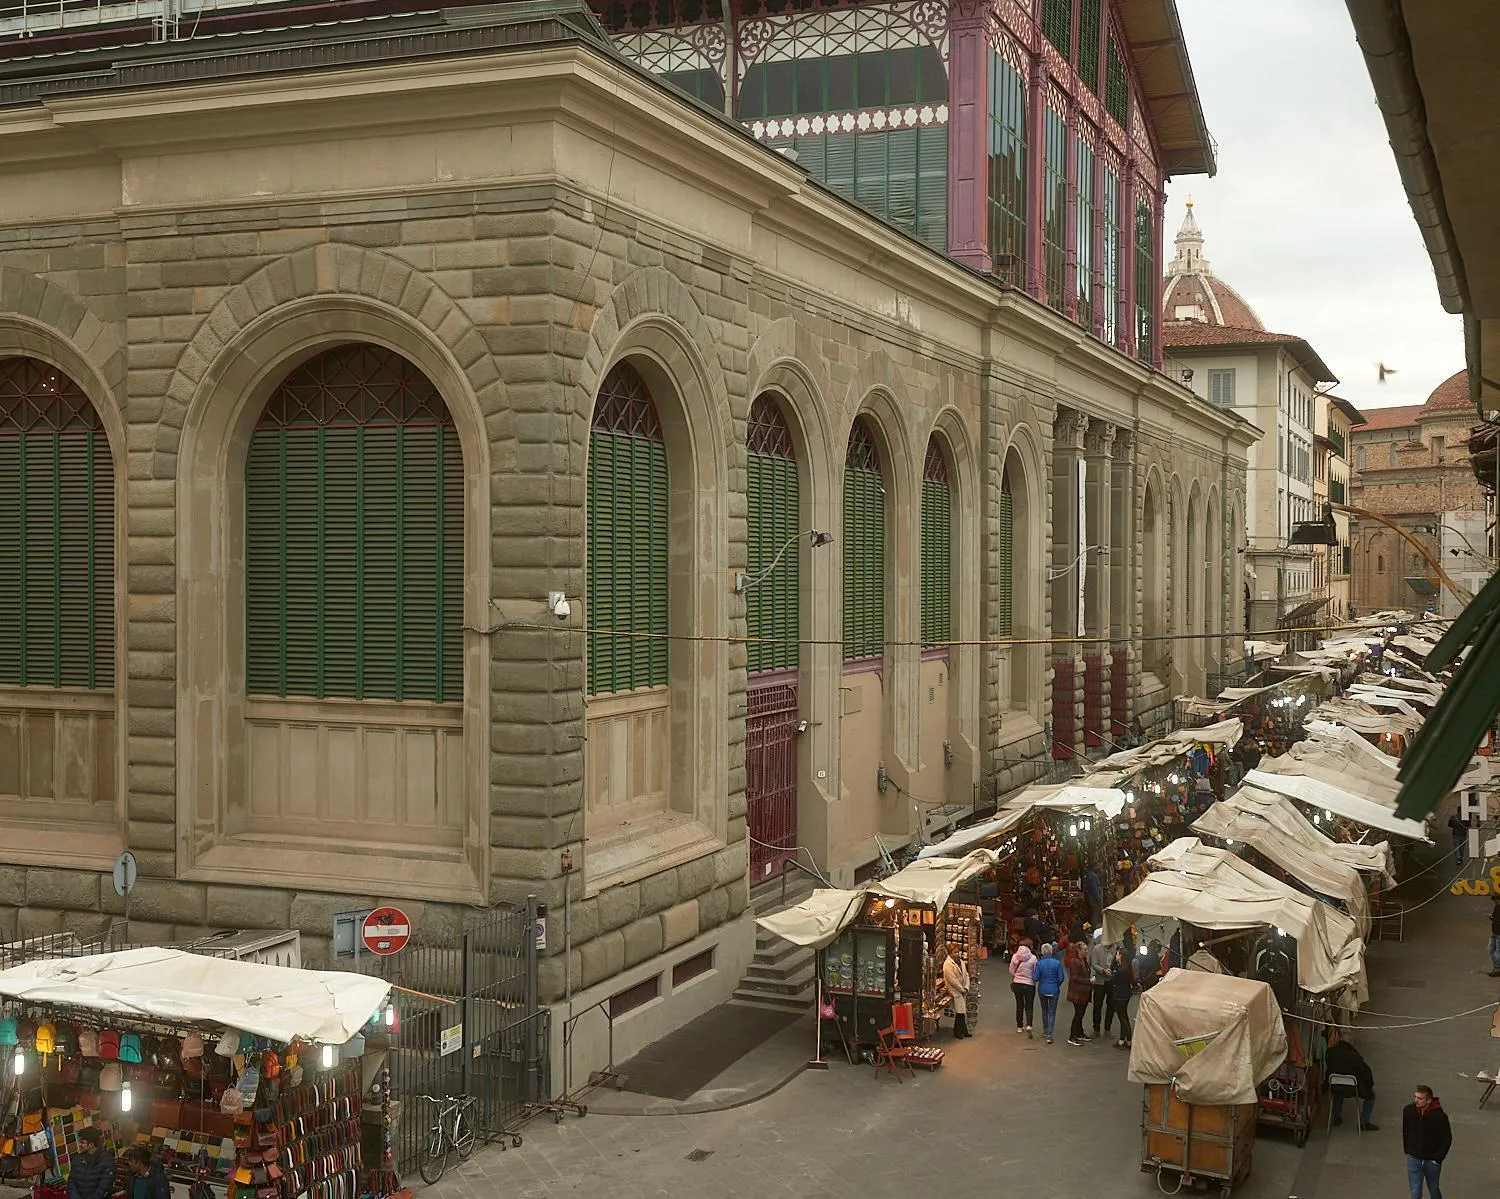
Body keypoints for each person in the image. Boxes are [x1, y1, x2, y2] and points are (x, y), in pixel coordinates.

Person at [1402, 1085, 1451, 1199]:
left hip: (1431, 1160)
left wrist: (1437, 1158)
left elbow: (1447, 1139)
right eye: (1415, 1097)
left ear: (1429, 1100)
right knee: (1415, 1192)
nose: (1416, 1101)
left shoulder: (1439, 1117)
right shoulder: (1409, 1111)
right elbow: (1406, 1130)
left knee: (1434, 1190)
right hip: (1414, 1157)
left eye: (1420, 1098)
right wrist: (1408, 1149)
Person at [1323, 1033, 1379, 1130]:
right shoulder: (1355, 1056)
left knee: (1338, 1088)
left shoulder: (1330, 1053)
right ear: (1351, 1044)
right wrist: (1370, 1086)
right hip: (1352, 1089)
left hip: (1334, 1086)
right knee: (1371, 1096)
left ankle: (1337, 1116)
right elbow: (1366, 1071)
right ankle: (1364, 1122)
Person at [67, 1129, 115, 1199]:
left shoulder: (107, 1160)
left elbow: (104, 1187)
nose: (79, 1145)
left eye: (82, 1142)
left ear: (91, 1145)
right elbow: (71, 1182)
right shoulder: (77, 1159)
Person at [1033, 943, 1066, 1044]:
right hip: (1054, 990)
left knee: (1044, 1010)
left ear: (1042, 952)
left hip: (1042, 989)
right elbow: (1061, 978)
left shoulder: (1039, 963)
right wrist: (1056, 985)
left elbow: (1035, 977)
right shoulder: (1057, 963)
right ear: (1051, 951)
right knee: (1052, 1012)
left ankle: (1045, 1030)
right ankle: (1050, 1035)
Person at [1064, 939, 1092, 1046]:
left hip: (1083, 992)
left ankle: (1080, 1033)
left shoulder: (1083, 960)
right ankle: (1072, 1036)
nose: (1086, 951)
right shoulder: (1074, 961)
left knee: (1081, 1013)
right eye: (1085, 949)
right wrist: (1088, 981)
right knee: (1078, 1014)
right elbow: (1075, 977)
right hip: (1077, 992)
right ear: (1079, 950)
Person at [1108, 945, 1135, 1049]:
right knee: (1124, 1017)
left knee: (1122, 1018)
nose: (1116, 955)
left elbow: (1113, 981)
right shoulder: (1126, 968)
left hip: (1120, 995)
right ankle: (1123, 1040)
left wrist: (1112, 974)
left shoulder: (1121, 970)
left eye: (1118, 953)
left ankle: (1128, 1041)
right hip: (1125, 994)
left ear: (1121, 956)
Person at [1089, 932, 1115, 1038]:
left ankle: (1107, 1029)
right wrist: (1103, 970)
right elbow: (1094, 964)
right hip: (1100, 981)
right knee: (1097, 1006)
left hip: (1111, 981)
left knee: (1111, 1006)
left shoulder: (1116, 949)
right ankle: (1096, 1028)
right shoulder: (1096, 949)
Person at [1008, 941, 1037, 1037]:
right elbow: (1035, 972)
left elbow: (1011, 970)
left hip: (1017, 984)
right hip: (1029, 984)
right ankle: (1029, 1024)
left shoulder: (1015, 956)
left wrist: (1016, 976)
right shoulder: (1033, 958)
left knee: (1019, 1004)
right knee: (1029, 1005)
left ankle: (1019, 1026)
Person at [942, 943, 971, 1040]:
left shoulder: (960, 961)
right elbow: (952, 980)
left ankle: (962, 1030)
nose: (957, 954)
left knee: (961, 1011)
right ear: (950, 953)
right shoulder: (947, 964)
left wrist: (966, 987)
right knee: (960, 1011)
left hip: (962, 989)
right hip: (955, 990)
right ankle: (958, 1031)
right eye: (955, 952)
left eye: (957, 952)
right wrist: (962, 989)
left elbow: (966, 974)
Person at [1489, 894, 1500, 978]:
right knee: (1492, 949)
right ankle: (1496, 967)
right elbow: (1495, 917)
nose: (1495, 902)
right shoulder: (1497, 907)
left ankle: (1497, 969)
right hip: (1494, 932)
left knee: (1497, 951)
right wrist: (1491, 918)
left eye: (1496, 900)